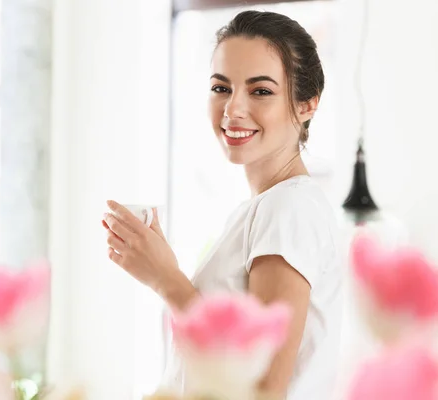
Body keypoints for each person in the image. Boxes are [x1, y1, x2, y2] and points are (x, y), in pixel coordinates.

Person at [102, 10, 343, 400]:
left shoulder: (289, 209)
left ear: (307, 105)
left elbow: (263, 385)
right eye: (221, 88)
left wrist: (166, 279)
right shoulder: (264, 208)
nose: (233, 109)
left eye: (260, 91)